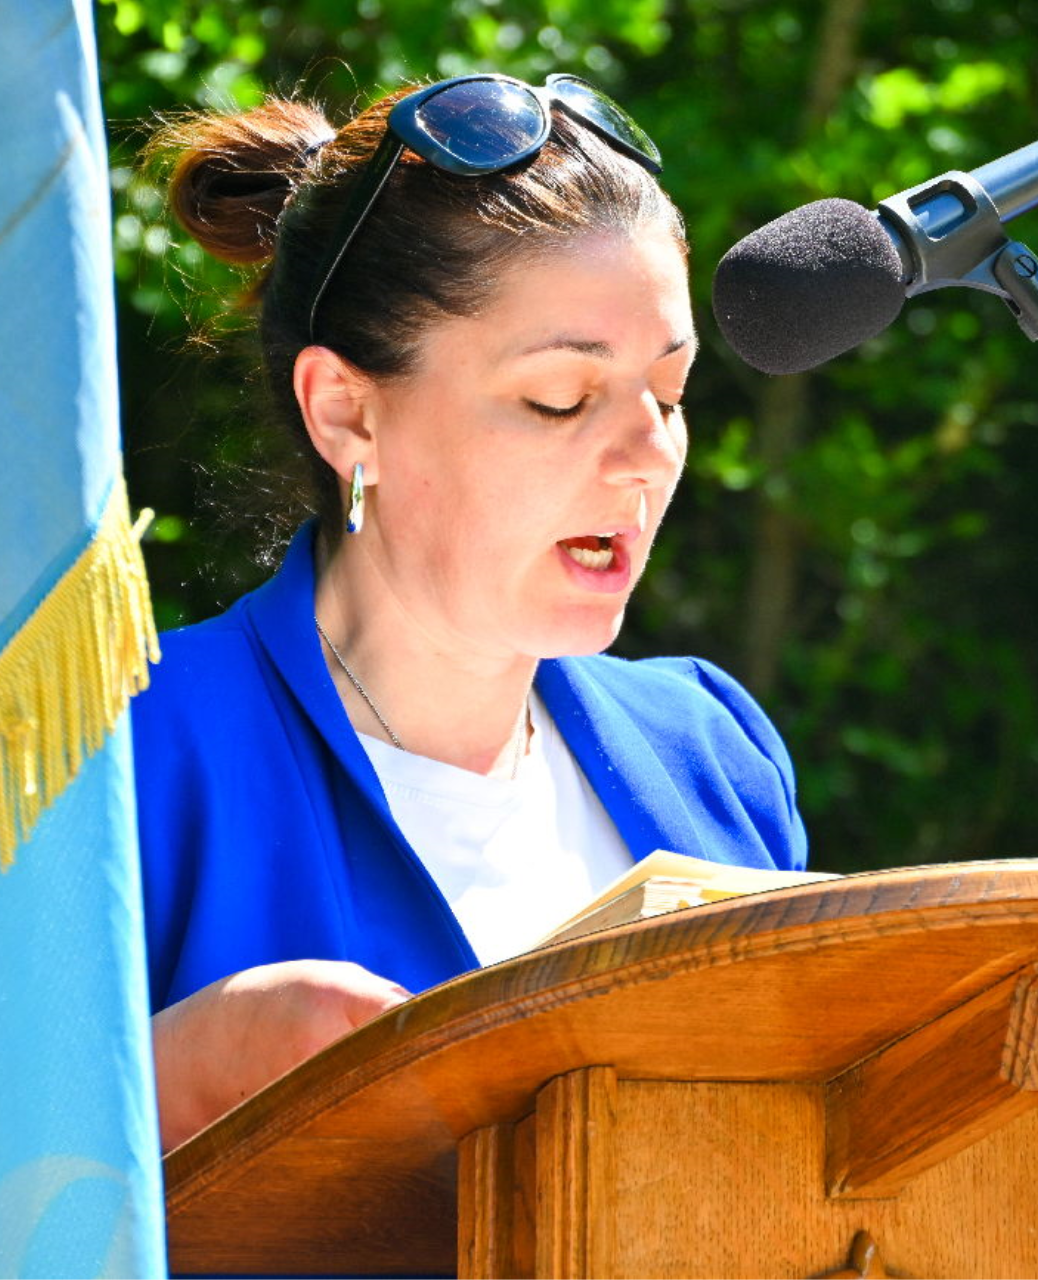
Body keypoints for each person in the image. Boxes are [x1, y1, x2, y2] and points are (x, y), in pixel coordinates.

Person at [132, 72, 809, 1153]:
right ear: (346, 413)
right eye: (561, 399)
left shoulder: (711, 750)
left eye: (670, 395)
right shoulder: (130, 755)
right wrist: (174, 1079)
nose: (649, 457)